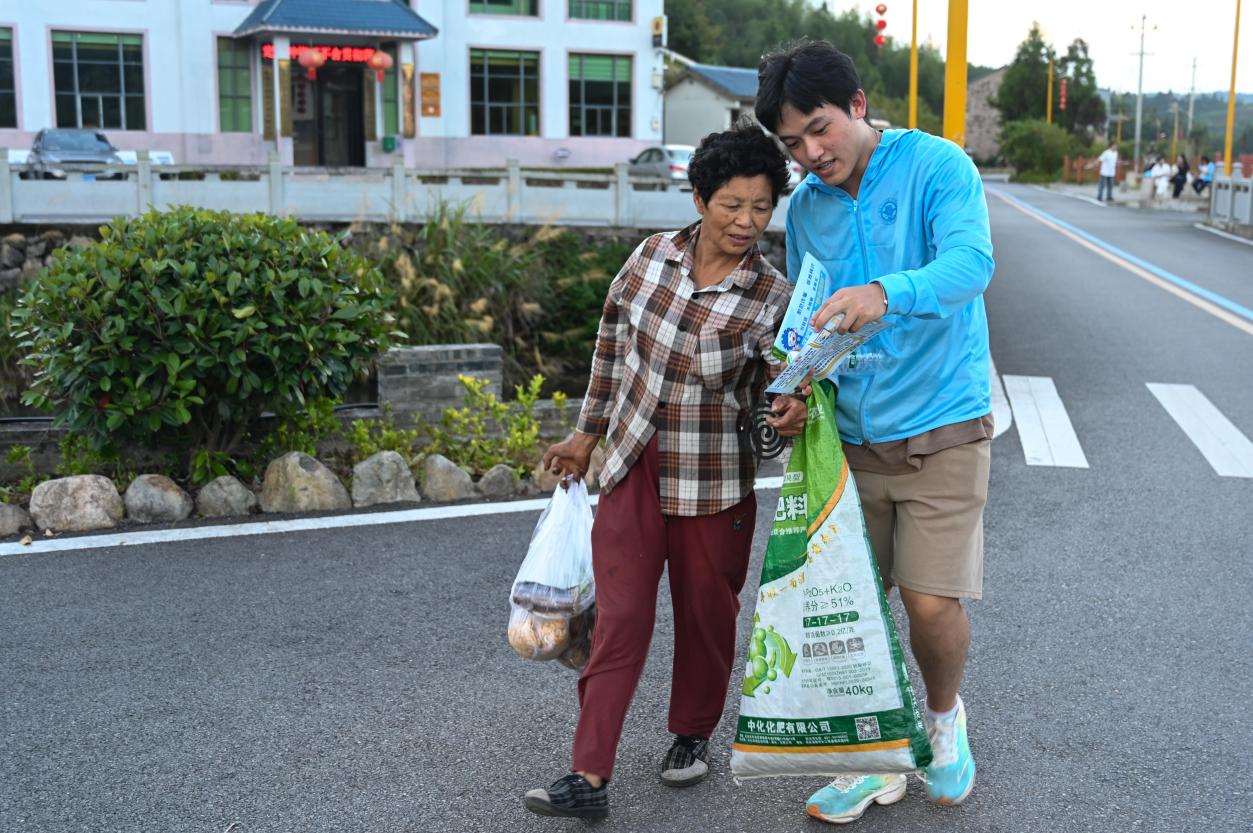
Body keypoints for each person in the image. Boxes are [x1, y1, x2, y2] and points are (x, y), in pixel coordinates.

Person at [522, 124, 809, 820]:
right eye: (731, 204)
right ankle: (588, 774)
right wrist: (586, 433)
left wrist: (787, 408)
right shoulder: (651, 256)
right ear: (699, 197)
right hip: (631, 463)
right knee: (620, 618)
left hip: (713, 480)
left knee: (706, 616)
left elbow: (780, 386)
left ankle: (691, 734)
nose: (745, 221)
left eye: (761, 207)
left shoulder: (773, 295)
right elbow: (610, 347)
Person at [754, 40, 995, 825]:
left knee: (928, 602)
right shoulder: (807, 208)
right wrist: (798, 388)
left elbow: (970, 265)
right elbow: (811, 320)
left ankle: (943, 718)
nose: (809, 154)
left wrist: (885, 292)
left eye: (819, 129)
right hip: (847, 437)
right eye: (791, 143)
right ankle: (871, 759)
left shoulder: (935, 166)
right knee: (850, 608)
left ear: (857, 104)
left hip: (941, 422)